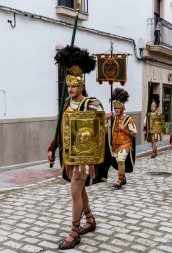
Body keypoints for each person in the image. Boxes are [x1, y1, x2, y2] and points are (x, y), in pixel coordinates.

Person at [47, 45, 106, 250]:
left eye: (74, 85)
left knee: (74, 190)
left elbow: (100, 128)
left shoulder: (92, 103)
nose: (70, 88)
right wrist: (52, 146)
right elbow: (61, 128)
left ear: (81, 85)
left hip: (84, 155)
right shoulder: (65, 104)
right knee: (79, 191)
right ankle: (90, 220)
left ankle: (74, 232)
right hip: (69, 154)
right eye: (68, 84)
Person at [108, 88, 137, 189]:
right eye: (115, 108)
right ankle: (123, 178)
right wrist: (107, 117)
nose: (116, 110)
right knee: (118, 161)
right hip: (115, 144)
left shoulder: (129, 119)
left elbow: (134, 134)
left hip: (125, 144)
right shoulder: (113, 118)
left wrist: (124, 129)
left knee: (120, 161)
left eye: (118, 108)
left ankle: (119, 180)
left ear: (122, 108)